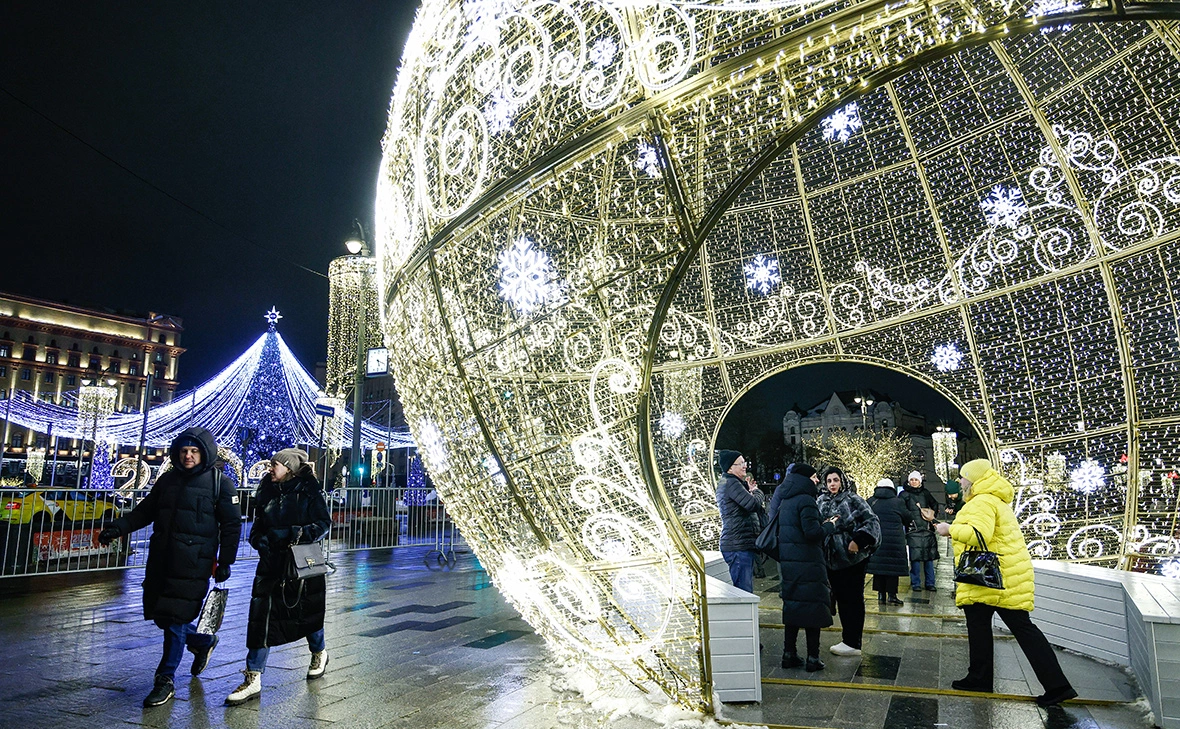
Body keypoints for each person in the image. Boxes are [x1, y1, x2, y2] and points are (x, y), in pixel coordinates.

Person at [97, 427, 240, 707]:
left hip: (193, 563)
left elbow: (232, 525)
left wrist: (225, 561)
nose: (188, 456)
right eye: (184, 450)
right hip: (162, 560)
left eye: (194, 451)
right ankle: (201, 642)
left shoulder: (219, 483)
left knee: (175, 619)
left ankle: (165, 679)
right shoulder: (167, 481)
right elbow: (145, 512)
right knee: (164, 617)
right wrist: (118, 528)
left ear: (205, 453)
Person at [936, 459, 1077, 706]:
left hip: (991, 577)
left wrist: (950, 529)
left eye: (964, 476)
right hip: (1004, 575)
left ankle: (985, 679)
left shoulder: (981, 501)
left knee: (996, 628)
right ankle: (1054, 684)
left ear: (974, 479)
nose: (960, 481)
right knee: (1010, 628)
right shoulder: (993, 499)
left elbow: (979, 535)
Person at [227, 448, 332, 705]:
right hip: (271, 564)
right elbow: (257, 527)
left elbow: (323, 524)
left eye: (275, 464)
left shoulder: (309, 490)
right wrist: (260, 541)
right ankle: (253, 676)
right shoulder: (267, 491)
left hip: (301, 563)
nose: (270, 468)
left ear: (289, 468)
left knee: (307, 614)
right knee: (260, 619)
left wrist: (292, 533)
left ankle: (319, 652)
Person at [769, 463, 836, 672]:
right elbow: (812, 533)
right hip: (808, 563)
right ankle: (813, 658)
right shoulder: (806, 500)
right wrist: (829, 525)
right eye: (814, 477)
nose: (817, 480)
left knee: (793, 606)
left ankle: (788, 654)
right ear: (805, 479)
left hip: (790, 562)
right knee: (812, 608)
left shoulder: (786, 500)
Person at [817, 467, 880, 657]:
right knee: (839, 599)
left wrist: (859, 541)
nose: (832, 484)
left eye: (836, 480)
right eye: (829, 481)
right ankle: (848, 639)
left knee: (852, 599)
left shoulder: (853, 499)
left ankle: (852, 641)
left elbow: (872, 521)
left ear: (842, 481)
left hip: (851, 559)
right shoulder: (820, 501)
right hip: (830, 559)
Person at [714, 450, 764, 593]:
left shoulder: (732, 483)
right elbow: (752, 504)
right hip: (737, 545)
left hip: (739, 543)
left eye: (744, 462)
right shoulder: (731, 483)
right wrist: (757, 492)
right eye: (741, 463)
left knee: (744, 590)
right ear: (730, 467)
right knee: (744, 591)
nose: (745, 466)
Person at [866, 478, 912, 606]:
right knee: (892, 568)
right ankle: (892, 596)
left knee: (879, 567)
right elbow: (908, 518)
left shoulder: (871, 501)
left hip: (876, 539)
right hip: (894, 541)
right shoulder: (898, 502)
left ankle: (881, 595)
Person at [901, 470, 940, 592]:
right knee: (915, 558)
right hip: (914, 530)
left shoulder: (925, 493)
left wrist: (931, 516)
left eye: (916, 480)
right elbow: (901, 509)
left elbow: (935, 504)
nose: (914, 482)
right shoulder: (904, 494)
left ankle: (929, 583)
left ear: (920, 481)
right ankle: (916, 583)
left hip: (925, 529)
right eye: (912, 480)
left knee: (928, 558)